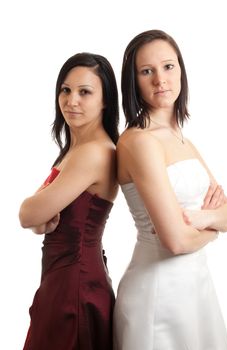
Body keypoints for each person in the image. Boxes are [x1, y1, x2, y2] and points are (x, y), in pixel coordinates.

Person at [113, 29, 227, 350]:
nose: (160, 80)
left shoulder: (181, 137)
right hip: (159, 296)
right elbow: (176, 241)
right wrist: (211, 225)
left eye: (168, 67)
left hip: (197, 288)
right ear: (133, 81)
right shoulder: (140, 141)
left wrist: (197, 219)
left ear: (181, 69)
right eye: (146, 71)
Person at [19, 52, 119, 350]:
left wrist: (37, 215)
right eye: (65, 90)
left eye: (84, 92)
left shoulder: (95, 152)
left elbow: (27, 213)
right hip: (63, 279)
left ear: (105, 101)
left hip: (75, 286)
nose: (71, 100)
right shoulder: (76, 149)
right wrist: (40, 219)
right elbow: (38, 218)